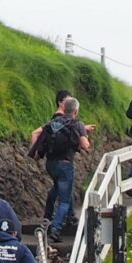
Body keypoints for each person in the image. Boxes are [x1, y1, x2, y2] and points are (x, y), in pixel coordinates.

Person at [32, 96, 90, 237]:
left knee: (58, 187)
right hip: (65, 164)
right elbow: (85, 146)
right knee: (64, 200)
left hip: (50, 164)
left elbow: (39, 135)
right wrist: (86, 136)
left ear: (64, 109)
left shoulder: (52, 123)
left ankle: (59, 215)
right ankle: (56, 229)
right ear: (76, 111)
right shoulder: (77, 124)